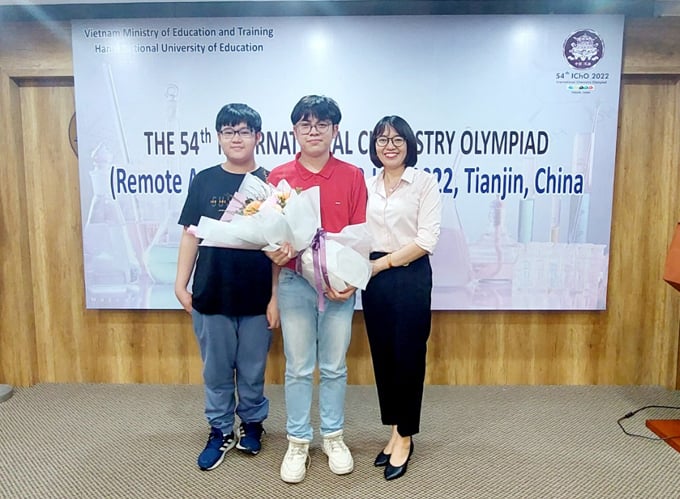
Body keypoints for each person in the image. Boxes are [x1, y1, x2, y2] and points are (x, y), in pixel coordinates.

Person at [266, 95, 368, 484]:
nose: (313, 131)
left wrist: (351, 281)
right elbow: (270, 239)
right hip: (294, 282)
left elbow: (361, 237)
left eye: (322, 124)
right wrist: (278, 255)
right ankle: (297, 441)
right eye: (305, 124)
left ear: (335, 130)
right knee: (297, 366)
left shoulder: (352, 175)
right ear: (294, 130)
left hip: (340, 287)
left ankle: (333, 436)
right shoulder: (279, 177)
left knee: (334, 366)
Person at [175, 103, 279, 471]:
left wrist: (275, 298)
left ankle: (252, 424)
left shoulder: (271, 182)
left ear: (258, 137)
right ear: (218, 137)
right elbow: (190, 235)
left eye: (244, 131)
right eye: (229, 131)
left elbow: (279, 247)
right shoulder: (203, 180)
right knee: (216, 370)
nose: (237, 138)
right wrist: (180, 283)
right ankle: (220, 430)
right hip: (211, 291)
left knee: (252, 369)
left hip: (255, 295)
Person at [361, 115, 442, 481]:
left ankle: (406, 437)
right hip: (373, 278)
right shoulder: (367, 184)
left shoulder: (424, 183)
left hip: (409, 275)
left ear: (409, 143)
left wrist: (383, 265)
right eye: (381, 139)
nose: (389, 146)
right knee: (384, 356)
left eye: (396, 139)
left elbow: (427, 240)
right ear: (374, 146)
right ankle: (393, 429)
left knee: (408, 356)